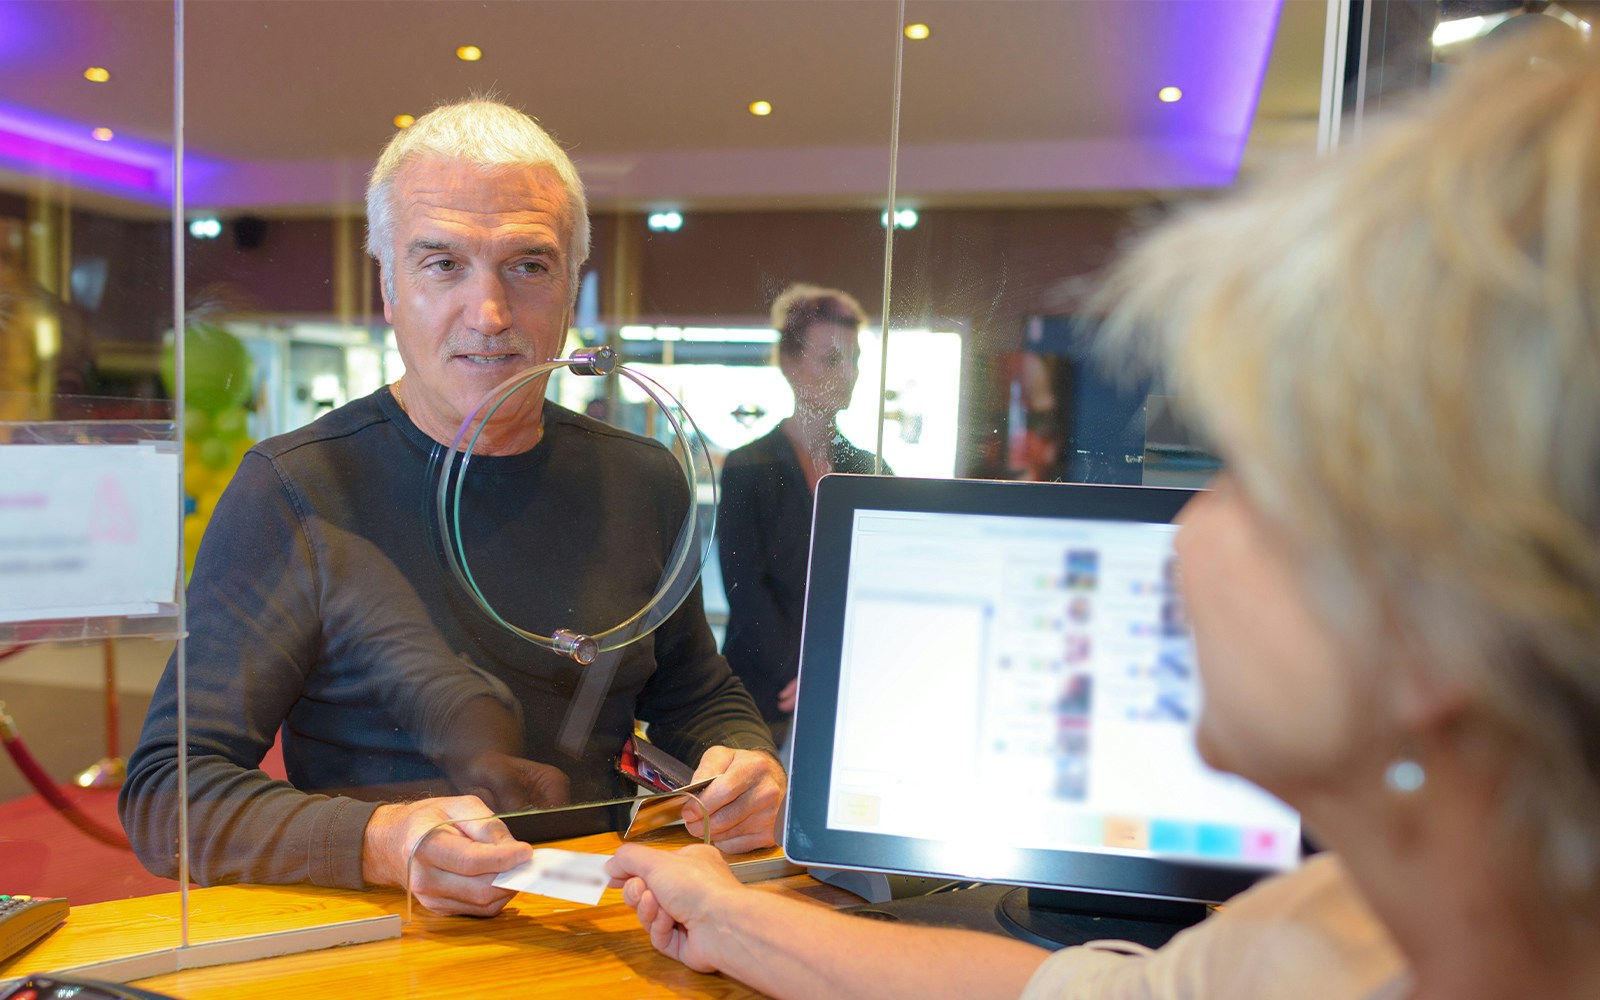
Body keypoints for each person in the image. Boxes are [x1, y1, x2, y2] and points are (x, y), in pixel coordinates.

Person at [606, 40, 1600, 999]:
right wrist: (729, 917)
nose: (1191, 529)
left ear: (1442, 618)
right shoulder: (1337, 930)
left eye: (1257, 476)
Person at [119, 98, 785, 917]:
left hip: (612, 927)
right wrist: (384, 843)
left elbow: (692, 692)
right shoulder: (298, 488)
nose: (490, 314)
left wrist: (747, 760)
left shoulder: (641, 479)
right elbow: (166, 795)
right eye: (442, 264)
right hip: (388, 937)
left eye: (528, 265)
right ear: (389, 289)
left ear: (571, 288)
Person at [718, 284, 887, 743]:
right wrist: (801, 671)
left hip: (845, 680)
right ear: (790, 365)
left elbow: (878, 584)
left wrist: (831, 670)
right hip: (762, 687)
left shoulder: (871, 469)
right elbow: (744, 587)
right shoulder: (749, 466)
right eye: (832, 359)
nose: (848, 373)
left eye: (855, 360)